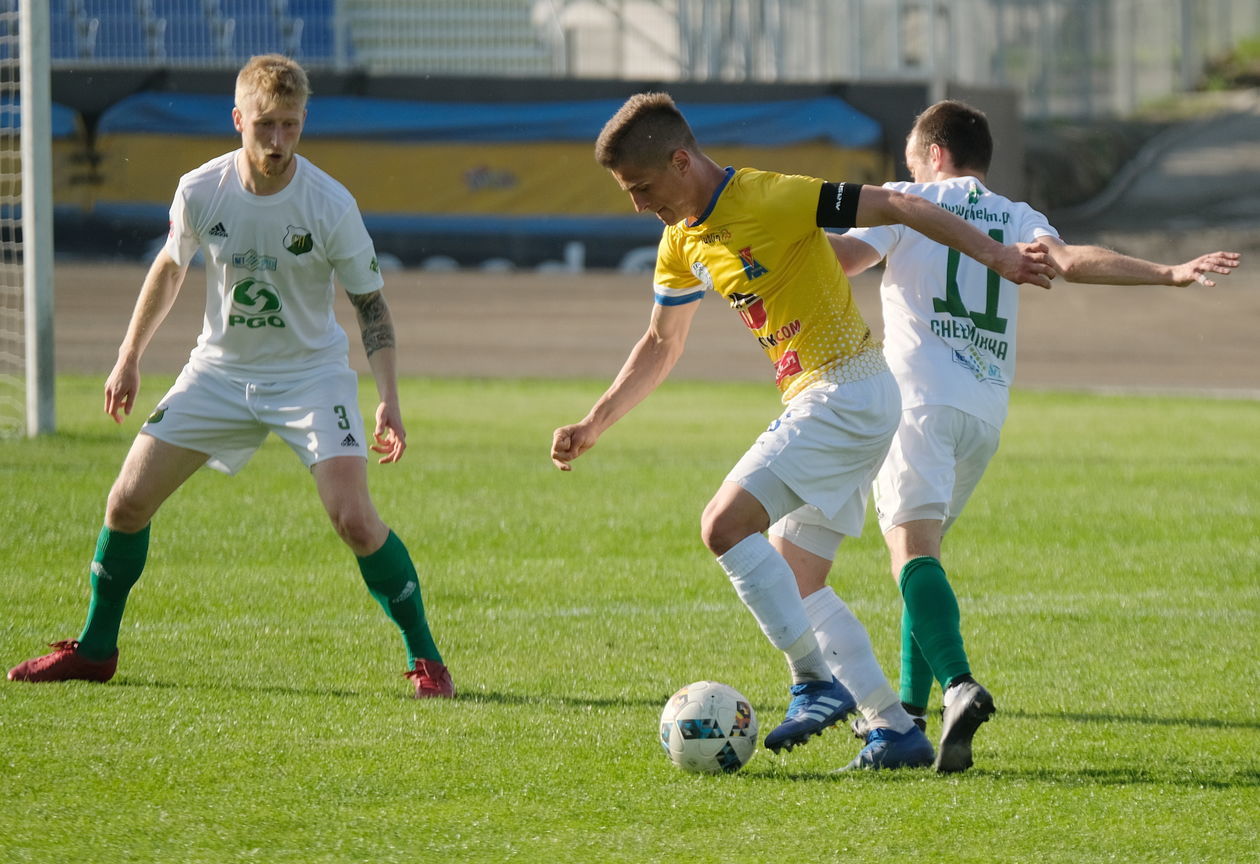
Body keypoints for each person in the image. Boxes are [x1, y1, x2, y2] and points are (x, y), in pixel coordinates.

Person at [549, 92, 1055, 769]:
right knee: (797, 579)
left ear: (679, 161)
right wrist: (595, 421)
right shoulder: (680, 243)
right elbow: (661, 343)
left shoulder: (770, 196)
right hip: (833, 400)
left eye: (642, 187)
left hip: (847, 390)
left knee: (723, 526)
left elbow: (900, 204)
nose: (639, 204)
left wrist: (993, 255)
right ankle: (894, 730)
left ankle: (813, 681)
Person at [7, 55, 454, 699]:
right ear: (238, 119)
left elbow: (370, 304)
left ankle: (428, 662)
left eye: (291, 127)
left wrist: (387, 397)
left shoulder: (330, 204)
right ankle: (97, 649)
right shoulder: (200, 189)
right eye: (265, 126)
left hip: (311, 378)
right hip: (217, 373)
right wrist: (129, 355)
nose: (277, 142)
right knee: (126, 503)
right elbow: (170, 267)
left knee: (355, 520)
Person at [828, 99, 1240, 771]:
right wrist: (1168, 272)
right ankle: (908, 717)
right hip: (983, 413)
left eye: (912, 157)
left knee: (911, 555)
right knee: (923, 556)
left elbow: (843, 260)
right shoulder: (1017, 216)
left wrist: (767, 236)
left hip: (920, 399)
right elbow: (1073, 261)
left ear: (934, 155)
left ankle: (958, 686)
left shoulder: (909, 199)